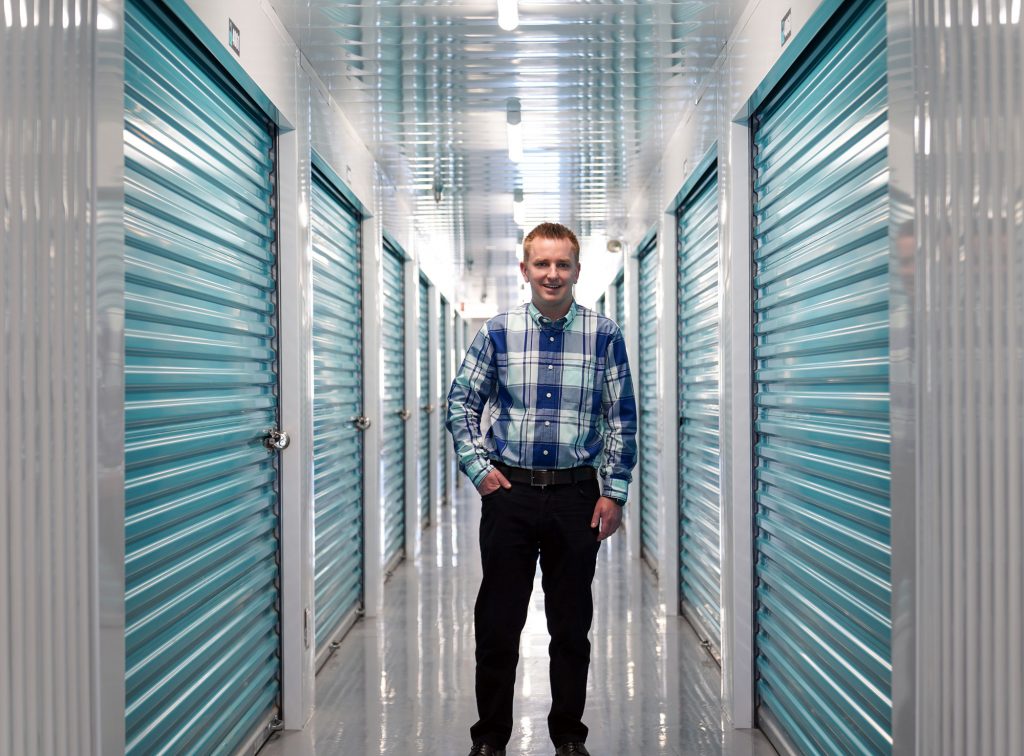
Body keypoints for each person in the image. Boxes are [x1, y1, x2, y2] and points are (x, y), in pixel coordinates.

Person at [446, 222, 638, 756]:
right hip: (510, 497)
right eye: (542, 264)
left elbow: (622, 418)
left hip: (578, 496)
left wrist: (614, 491)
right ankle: (489, 739)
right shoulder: (498, 332)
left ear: (578, 270)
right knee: (499, 625)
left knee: (571, 626)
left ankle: (569, 738)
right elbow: (461, 402)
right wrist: (480, 470)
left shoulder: (604, 334)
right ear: (525, 268)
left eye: (563, 264)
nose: (552, 274)